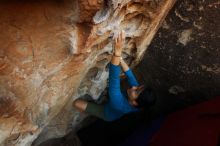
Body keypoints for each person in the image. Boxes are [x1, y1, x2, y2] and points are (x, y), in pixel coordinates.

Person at [73, 31, 156, 121]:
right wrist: (120, 59)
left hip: (107, 113)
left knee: (77, 103)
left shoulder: (119, 104)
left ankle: (90, 113)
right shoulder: (138, 98)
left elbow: (114, 78)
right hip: (113, 102)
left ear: (134, 103)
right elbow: (130, 75)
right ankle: (103, 100)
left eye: (136, 91)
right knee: (111, 96)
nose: (134, 87)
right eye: (138, 87)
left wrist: (117, 53)